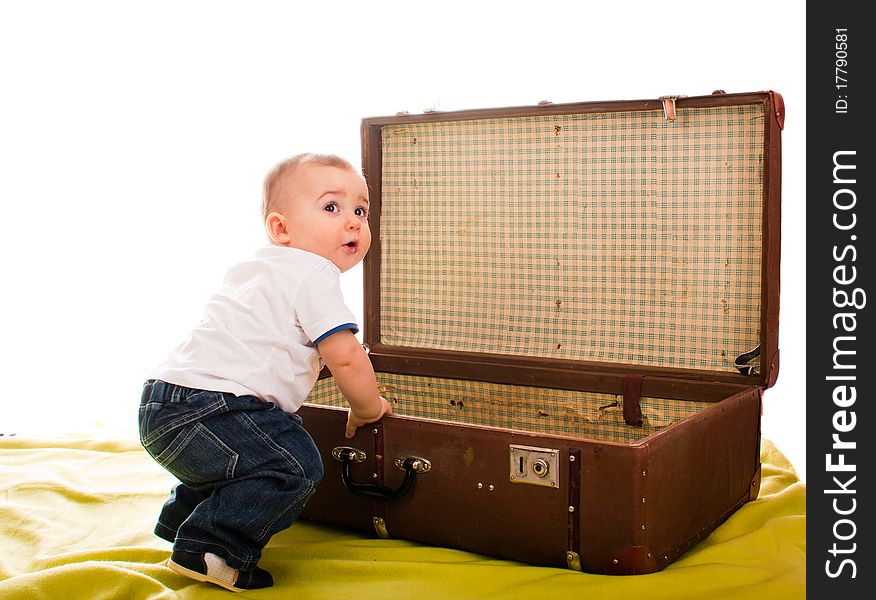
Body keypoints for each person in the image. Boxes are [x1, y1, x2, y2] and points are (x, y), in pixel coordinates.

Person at [138, 153, 391, 592]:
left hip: (162, 403)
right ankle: (212, 547)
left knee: (236, 461)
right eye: (332, 207)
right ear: (281, 228)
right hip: (214, 406)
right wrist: (367, 407)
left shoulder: (254, 269)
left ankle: (179, 521)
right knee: (293, 464)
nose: (352, 221)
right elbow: (346, 356)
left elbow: (266, 346)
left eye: (361, 210)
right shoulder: (315, 272)